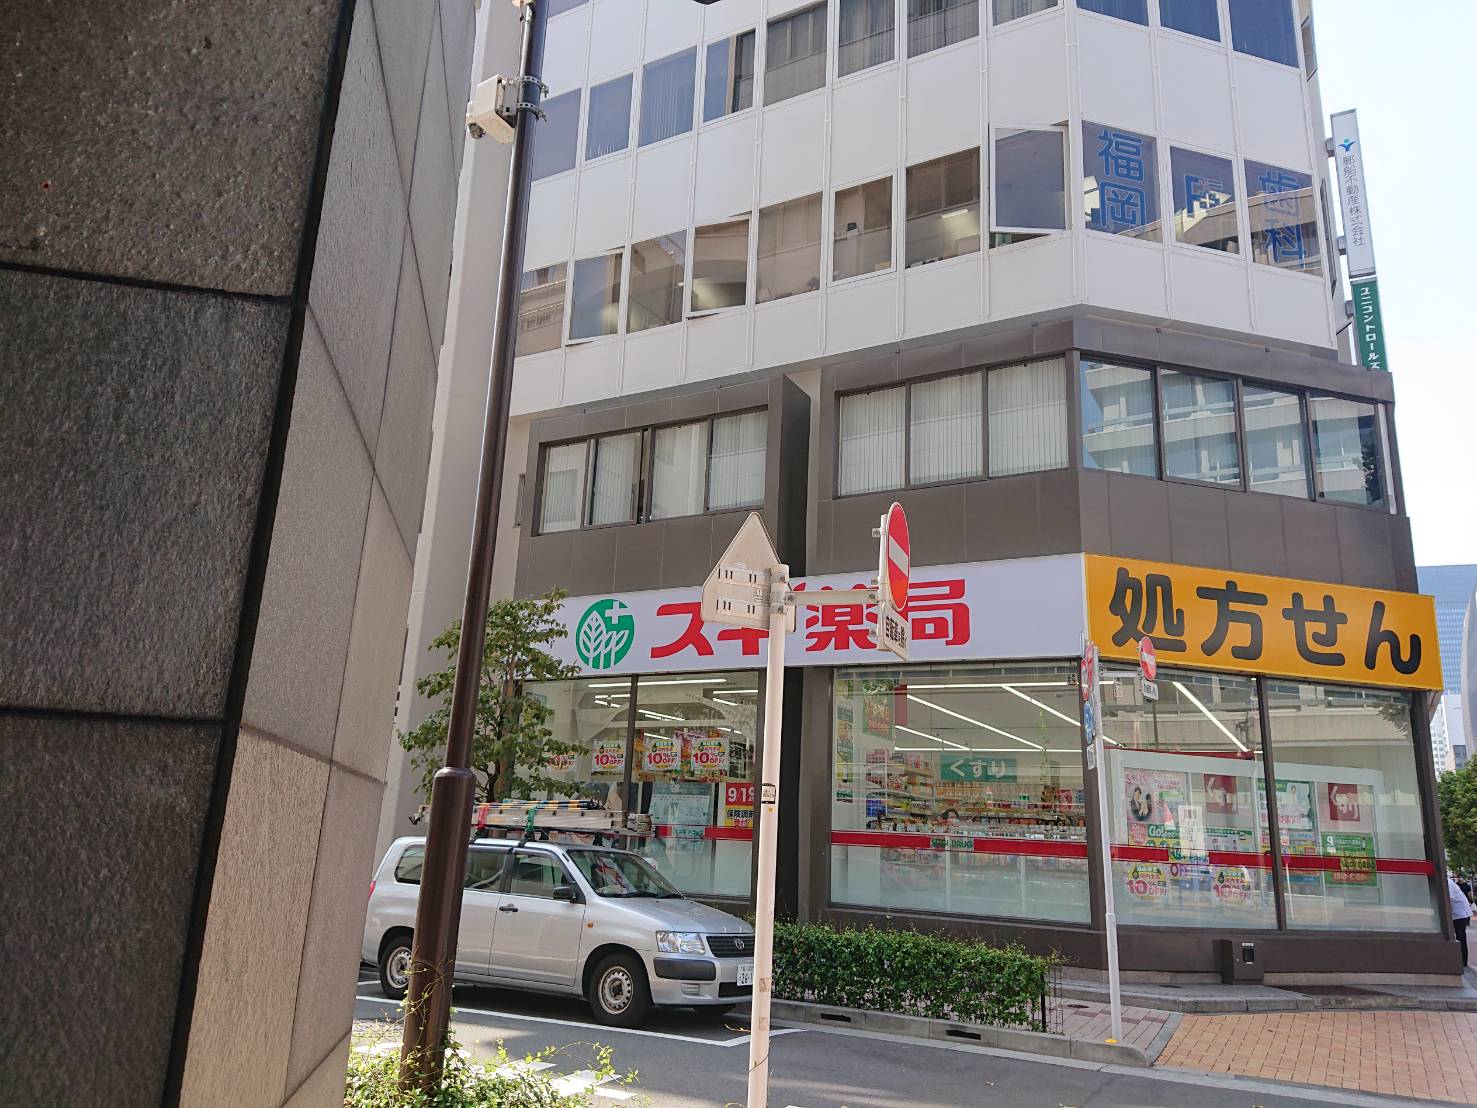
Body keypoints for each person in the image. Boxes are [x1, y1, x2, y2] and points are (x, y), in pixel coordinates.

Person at [1449, 872, 1473, 967]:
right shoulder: (1449, 883)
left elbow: (1449, 899)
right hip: (1457, 913)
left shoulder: (1448, 883)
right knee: (1460, 936)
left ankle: (1463, 961)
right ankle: (1462, 960)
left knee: (1460, 936)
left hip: (1460, 914)